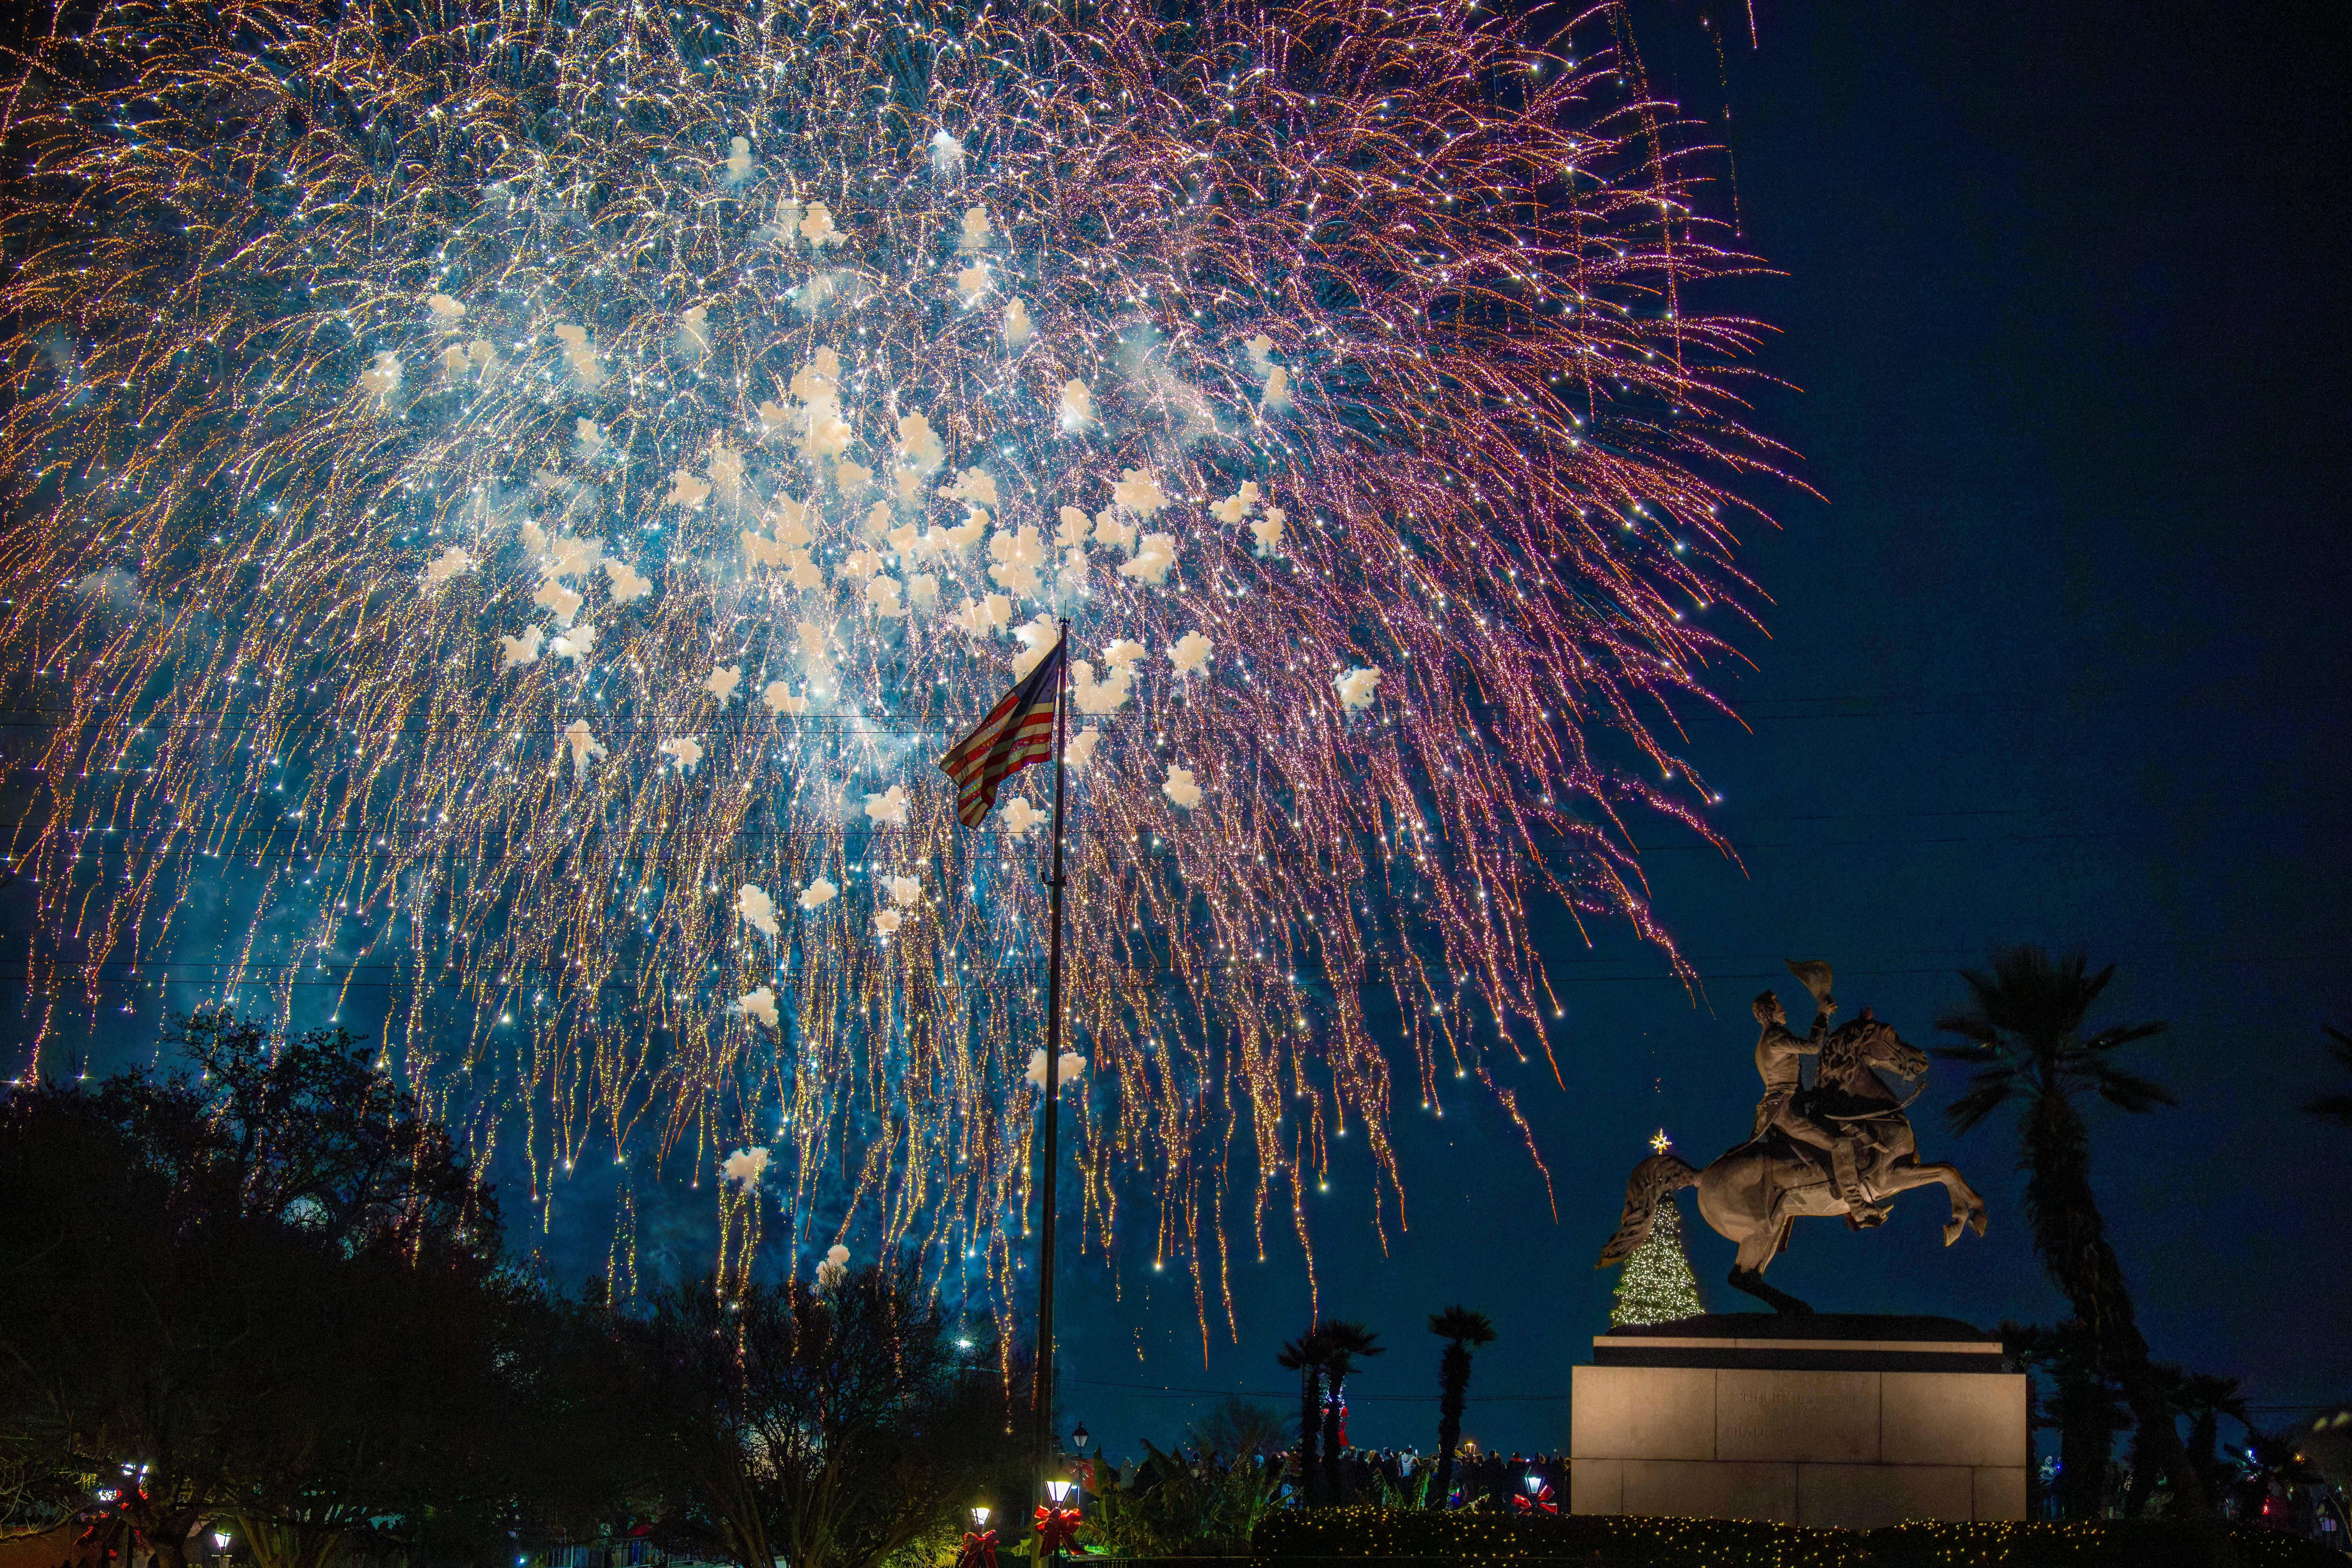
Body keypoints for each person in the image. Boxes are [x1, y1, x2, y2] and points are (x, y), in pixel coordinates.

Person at [1748, 989, 1866, 1208]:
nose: (1783, 1010)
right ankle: (1858, 1207)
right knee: (1840, 1146)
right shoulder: (1775, 1037)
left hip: (1783, 1106)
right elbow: (1813, 1047)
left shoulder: (1766, 1040)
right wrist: (1822, 1016)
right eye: (1778, 1007)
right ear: (1769, 1013)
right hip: (1787, 1111)